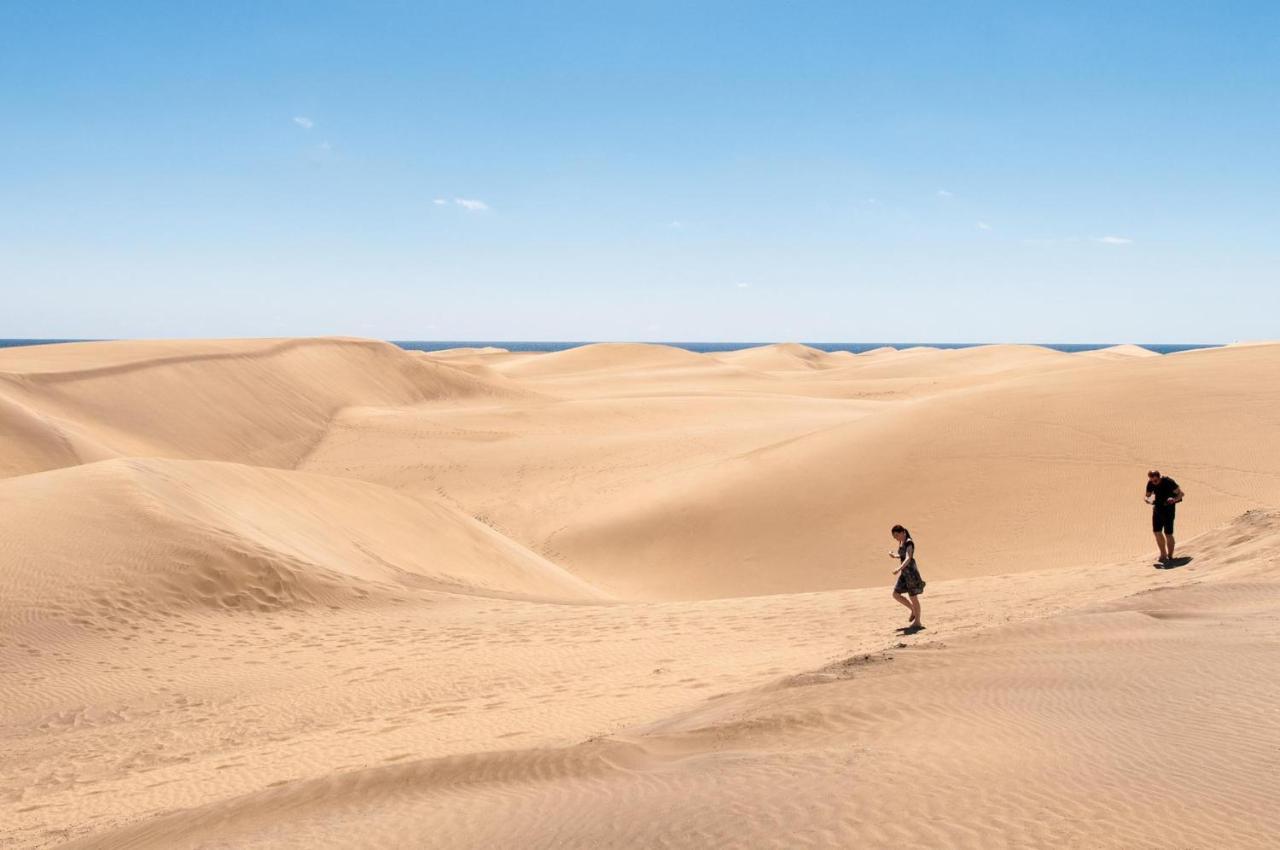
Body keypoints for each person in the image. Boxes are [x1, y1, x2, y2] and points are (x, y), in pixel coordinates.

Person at [888, 524, 925, 631]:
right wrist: (895, 555)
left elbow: (908, 557)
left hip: (911, 573)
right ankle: (912, 609)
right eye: (894, 537)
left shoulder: (909, 542)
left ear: (902, 532)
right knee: (896, 594)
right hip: (904, 573)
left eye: (896, 535)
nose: (896, 538)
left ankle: (917, 621)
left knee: (913, 597)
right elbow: (903, 555)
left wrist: (898, 568)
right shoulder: (902, 542)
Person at [1145, 470, 1184, 564]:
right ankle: (1163, 554)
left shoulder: (1168, 482)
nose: (1154, 482)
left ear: (1159, 477)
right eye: (1152, 480)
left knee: (1168, 534)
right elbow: (1147, 495)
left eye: (1155, 480)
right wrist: (1147, 500)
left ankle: (1170, 556)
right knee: (1156, 532)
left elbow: (1181, 494)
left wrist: (1173, 500)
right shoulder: (1150, 483)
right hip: (1157, 510)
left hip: (1168, 510)